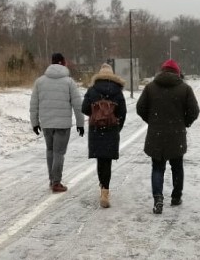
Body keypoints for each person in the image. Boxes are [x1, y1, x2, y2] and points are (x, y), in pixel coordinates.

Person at [136, 59, 200, 214]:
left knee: (157, 167)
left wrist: (151, 120)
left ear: (162, 71)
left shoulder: (150, 88)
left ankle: (158, 198)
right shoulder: (185, 89)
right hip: (176, 135)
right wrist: (185, 122)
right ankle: (176, 197)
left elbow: (140, 108)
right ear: (177, 73)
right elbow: (194, 110)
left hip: (156, 135)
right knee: (177, 167)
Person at [30, 52, 85, 192]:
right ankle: (56, 182)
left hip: (46, 123)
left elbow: (34, 104)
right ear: (63, 62)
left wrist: (35, 122)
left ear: (51, 62)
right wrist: (80, 123)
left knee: (50, 150)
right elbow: (77, 105)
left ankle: (52, 180)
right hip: (63, 124)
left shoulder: (39, 81)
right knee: (59, 152)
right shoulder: (69, 82)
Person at [82, 63, 127, 208]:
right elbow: (122, 112)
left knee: (100, 160)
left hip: (96, 129)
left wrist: (96, 115)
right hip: (111, 129)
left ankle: (102, 185)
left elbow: (84, 108)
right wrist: (116, 126)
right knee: (107, 161)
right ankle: (105, 191)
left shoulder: (92, 90)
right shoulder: (118, 91)